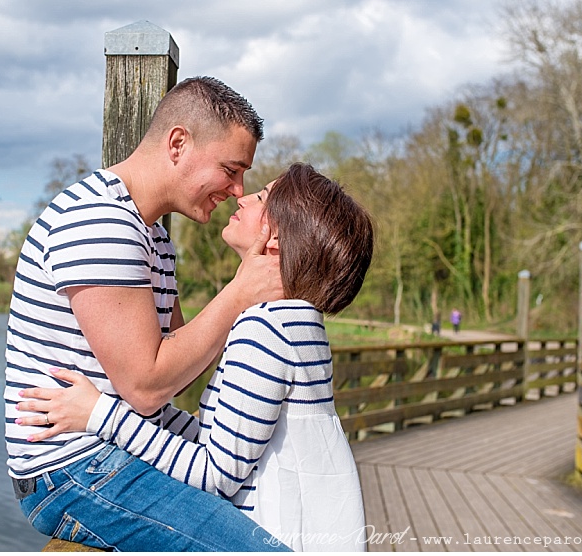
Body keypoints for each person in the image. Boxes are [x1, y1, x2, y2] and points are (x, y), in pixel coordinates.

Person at [19, 163, 375, 552]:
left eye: (263, 198)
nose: (244, 195)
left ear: (277, 239)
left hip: (278, 533)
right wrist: (118, 409)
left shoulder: (265, 330)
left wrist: (101, 415)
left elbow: (216, 474)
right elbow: (221, 437)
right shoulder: (300, 324)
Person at [5, 76, 290, 551]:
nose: (238, 189)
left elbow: (178, 367)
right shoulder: (101, 221)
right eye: (231, 169)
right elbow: (147, 384)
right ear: (178, 143)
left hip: (117, 449)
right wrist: (241, 291)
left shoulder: (150, 233)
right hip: (71, 469)